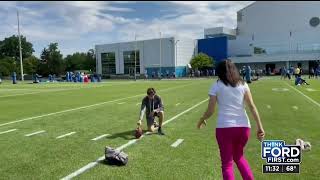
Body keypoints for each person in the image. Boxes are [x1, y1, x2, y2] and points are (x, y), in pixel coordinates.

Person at [197, 59, 265, 180]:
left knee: (227, 164)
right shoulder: (243, 84)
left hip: (224, 129)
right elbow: (252, 107)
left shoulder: (216, 85)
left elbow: (210, 110)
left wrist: (202, 118)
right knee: (239, 157)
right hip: (244, 128)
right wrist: (260, 127)